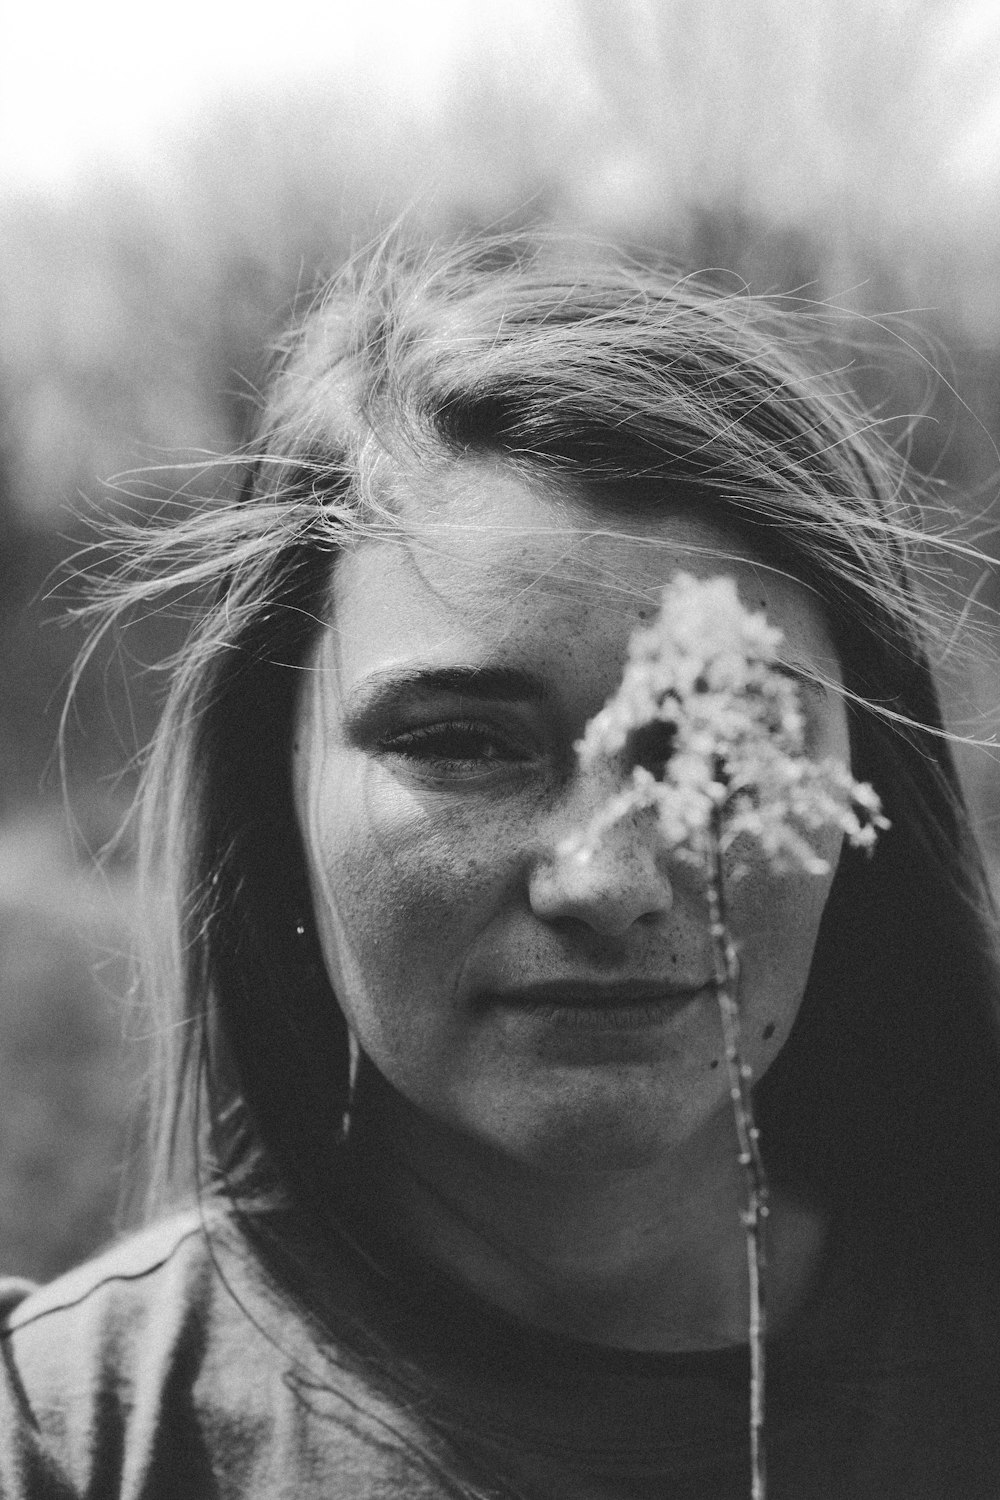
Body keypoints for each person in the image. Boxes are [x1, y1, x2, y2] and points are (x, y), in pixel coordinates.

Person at [2, 233, 999, 1500]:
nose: (608, 878)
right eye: (463, 744)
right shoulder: (71, 1442)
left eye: (714, 738)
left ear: (866, 786)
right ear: (280, 792)